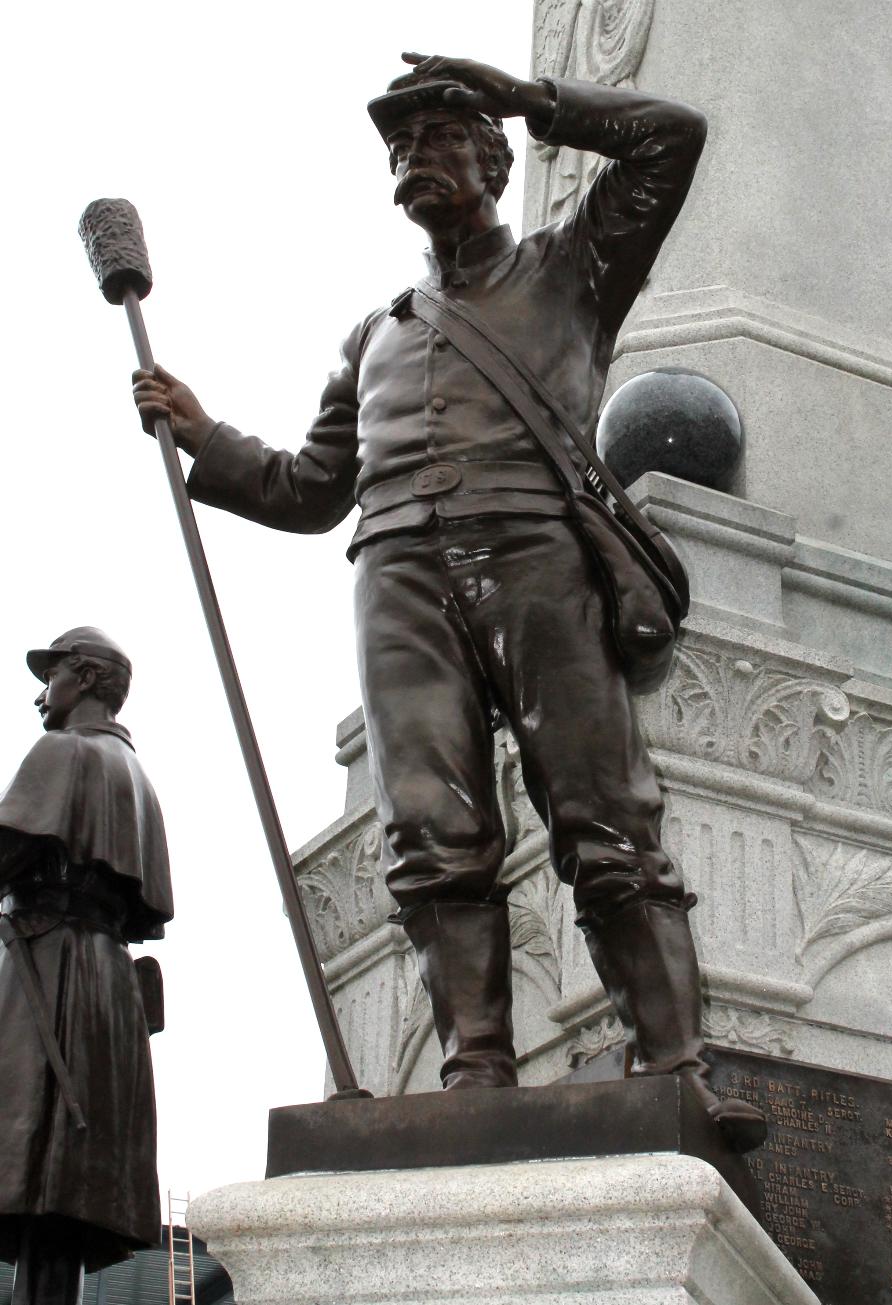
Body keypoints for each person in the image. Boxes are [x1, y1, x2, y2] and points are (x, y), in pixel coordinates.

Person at [132, 53, 765, 1148]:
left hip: (533, 553)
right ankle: (474, 1068)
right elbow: (309, 488)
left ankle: (675, 1063)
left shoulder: (575, 267)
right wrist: (203, 435)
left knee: (602, 816)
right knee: (430, 835)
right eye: (397, 152)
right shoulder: (373, 336)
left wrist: (531, 96)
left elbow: (673, 134)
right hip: (394, 576)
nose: (408, 165)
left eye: (432, 140)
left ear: (491, 154)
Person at [0, 628, 173, 1305]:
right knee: (62, 1190)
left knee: (40, 1165)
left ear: (84, 677)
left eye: (51, 677)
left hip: (53, 966)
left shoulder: (62, 752)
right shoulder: (138, 778)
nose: (40, 694)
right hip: (106, 982)